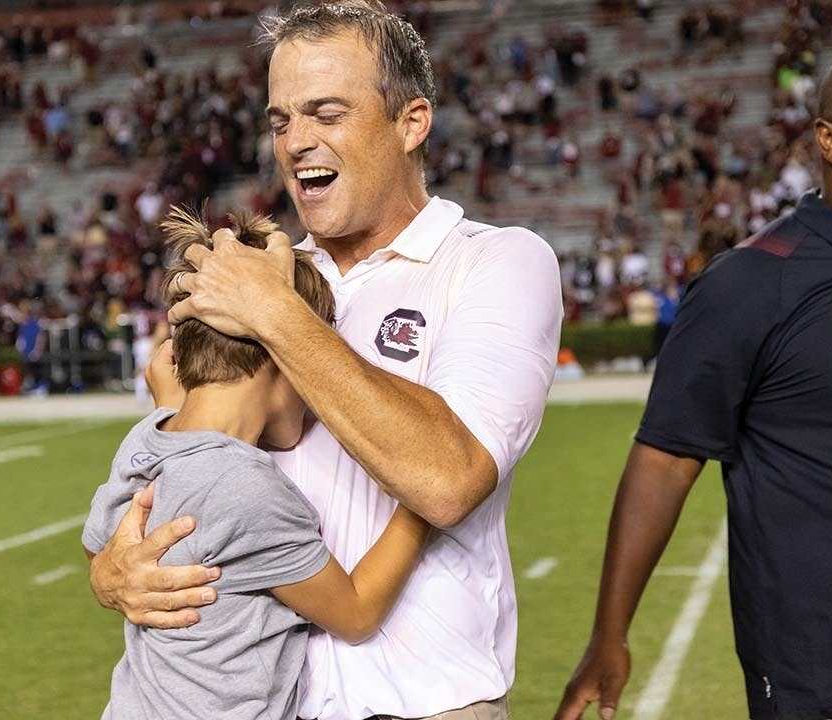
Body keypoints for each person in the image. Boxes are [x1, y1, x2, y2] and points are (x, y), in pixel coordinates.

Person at [88, 3, 563, 719]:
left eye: (326, 113)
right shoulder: (252, 278)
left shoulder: (497, 262)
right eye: (281, 121)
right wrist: (114, 572)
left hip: (427, 706)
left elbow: (447, 479)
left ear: (411, 122)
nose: (297, 142)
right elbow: (173, 470)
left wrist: (277, 315)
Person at [554, 54, 832, 720]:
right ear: (828, 139)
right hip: (818, 665)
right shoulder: (755, 280)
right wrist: (610, 633)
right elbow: (664, 462)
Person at [82, 208, 430, 719]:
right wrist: (423, 500)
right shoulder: (244, 488)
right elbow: (355, 613)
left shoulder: (149, 438)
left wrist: (171, 402)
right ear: (278, 355)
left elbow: (99, 547)